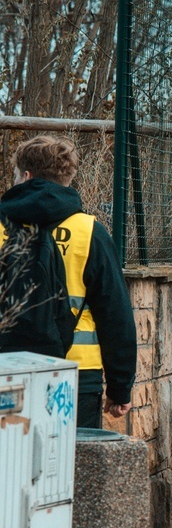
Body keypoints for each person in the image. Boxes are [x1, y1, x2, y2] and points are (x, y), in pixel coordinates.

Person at [1, 135, 136, 428]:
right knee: (73, 456)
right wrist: (120, 387)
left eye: (15, 175)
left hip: (5, 369)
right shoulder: (89, 232)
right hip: (75, 374)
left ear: (27, 176)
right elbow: (115, 314)